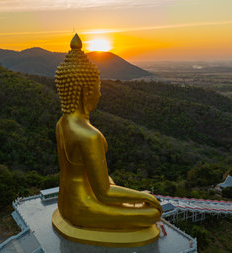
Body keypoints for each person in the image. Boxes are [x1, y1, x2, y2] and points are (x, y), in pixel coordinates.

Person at [54, 34, 162, 230]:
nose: (100, 94)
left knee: (112, 183)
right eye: (98, 87)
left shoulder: (62, 123)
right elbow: (103, 193)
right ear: (85, 91)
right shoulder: (89, 135)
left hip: (65, 202)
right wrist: (146, 196)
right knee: (153, 213)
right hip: (83, 208)